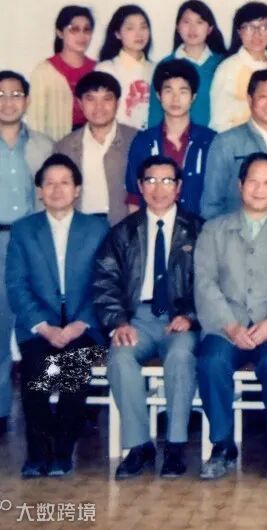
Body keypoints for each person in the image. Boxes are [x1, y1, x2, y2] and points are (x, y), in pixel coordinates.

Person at [93, 155, 204, 479]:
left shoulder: (199, 230)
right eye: (151, 181)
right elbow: (104, 282)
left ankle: (175, 445)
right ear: (140, 187)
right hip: (136, 318)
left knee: (181, 356)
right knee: (120, 357)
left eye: (167, 181)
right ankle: (140, 445)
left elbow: (211, 282)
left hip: (179, 319)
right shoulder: (123, 232)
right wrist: (118, 322)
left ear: (178, 187)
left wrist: (191, 315)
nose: (159, 188)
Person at [195, 153, 267, 481]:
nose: (259, 189)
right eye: (253, 181)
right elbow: (205, 282)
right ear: (240, 185)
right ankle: (222, 444)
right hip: (227, 324)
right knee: (211, 362)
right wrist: (229, 324)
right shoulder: (214, 230)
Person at [5, 154, 109, 477]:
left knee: (72, 373)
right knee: (37, 375)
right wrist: (45, 327)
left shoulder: (97, 228)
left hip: (84, 326)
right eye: (49, 183)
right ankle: (37, 454)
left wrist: (81, 323)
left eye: (65, 182)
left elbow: (105, 283)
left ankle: (63, 451)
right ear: (39, 191)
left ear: (77, 189)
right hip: (39, 327)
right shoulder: (24, 230)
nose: (57, 189)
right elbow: (16, 284)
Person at [0, 71, 53, 439]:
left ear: (27, 100)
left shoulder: (44, 146)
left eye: (16, 94)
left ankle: (55, 404)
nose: (8, 102)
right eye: (0, 95)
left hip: (34, 245)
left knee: (46, 327)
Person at [125, 60, 216, 216]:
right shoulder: (143, 141)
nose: (175, 99)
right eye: (168, 91)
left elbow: (219, 196)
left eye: (183, 92)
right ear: (158, 95)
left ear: (193, 97)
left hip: (200, 226)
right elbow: (134, 197)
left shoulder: (210, 141)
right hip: (153, 225)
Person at [201, 69, 267, 221]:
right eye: (263, 97)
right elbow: (211, 203)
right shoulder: (226, 142)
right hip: (235, 232)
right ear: (250, 100)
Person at [54, 71, 138, 225]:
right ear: (80, 104)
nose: (99, 107)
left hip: (123, 227)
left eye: (107, 99)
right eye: (90, 99)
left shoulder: (136, 140)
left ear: (118, 103)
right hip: (81, 228)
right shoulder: (65, 146)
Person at [147, 0, 226, 129]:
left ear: (210, 29)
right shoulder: (165, 65)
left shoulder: (223, 64)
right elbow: (155, 114)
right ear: (178, 27)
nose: (192, 29)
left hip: (217, 138)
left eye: (199, 22)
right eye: (186, 22)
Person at [27, 5, 98, 140]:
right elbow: (36, 123)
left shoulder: (98, 69)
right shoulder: (44, 72)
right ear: (59, 32)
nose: (82, 36)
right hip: (56, 144)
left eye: (86, 30)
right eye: (74, 29)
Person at [210, 1, 267, 132]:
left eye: (263, 27)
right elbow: (219, 122)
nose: (256, 34)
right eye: (249, 27)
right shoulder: (228, 68)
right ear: (239, 32)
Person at [96, 4, 156, 130]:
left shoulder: (156, 70)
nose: (139, 34)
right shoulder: (106, 70)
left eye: (143, 27)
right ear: (117, 33)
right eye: (130, 28)